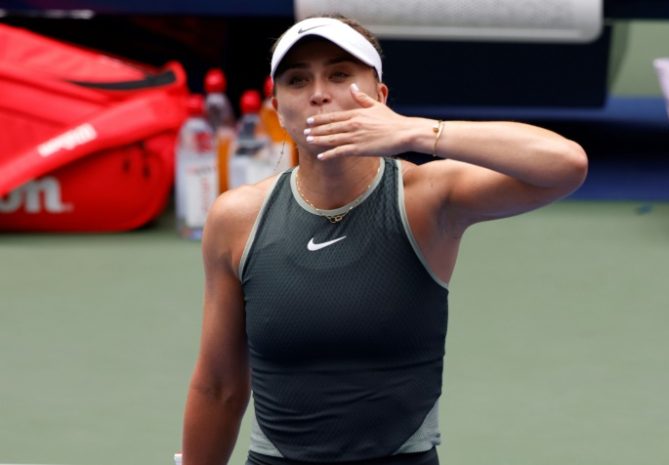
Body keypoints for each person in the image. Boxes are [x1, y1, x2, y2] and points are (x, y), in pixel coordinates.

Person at [181, 15, 588, 465]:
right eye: (298, 80)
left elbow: (565, 165)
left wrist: (418, 131)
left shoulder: (426, 199)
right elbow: (218, 386)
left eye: (340, 74)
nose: (319, 91)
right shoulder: (236, 218)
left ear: (379, 96)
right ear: (278, 108)